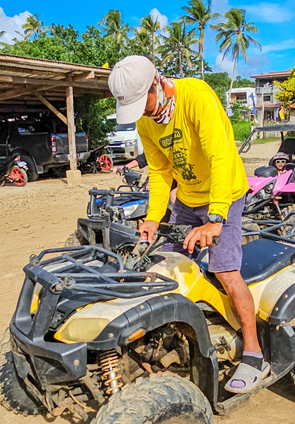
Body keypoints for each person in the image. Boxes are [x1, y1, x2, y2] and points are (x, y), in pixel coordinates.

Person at [108, 55, 267, 393]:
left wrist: (216, 219)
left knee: (225, 270)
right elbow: (161, 172)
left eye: (143, 103)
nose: (144, 112)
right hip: (187, 201)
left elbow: (220, 157)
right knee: (166, 269)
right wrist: (153, 218)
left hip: (225, 195)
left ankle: (254, 354)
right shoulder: (146, 122)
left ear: (156, 83)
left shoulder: (196, 96)